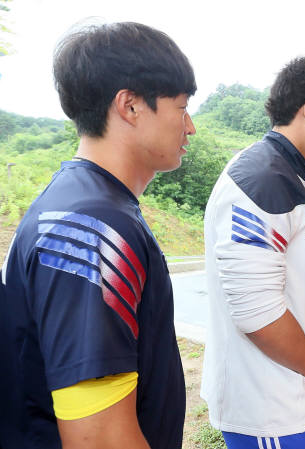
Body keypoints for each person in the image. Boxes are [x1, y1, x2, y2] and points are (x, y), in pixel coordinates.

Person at [0, 22, 197, 448]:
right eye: (182, 107)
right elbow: (100, 438)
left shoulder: (81, 205)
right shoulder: (91, 230)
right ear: (129, 106)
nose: (191, 127)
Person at [200, 55, 305, 449]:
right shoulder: (262, 179)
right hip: (268, 406)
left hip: (290, 395)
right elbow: (257, 313)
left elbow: (295, 282)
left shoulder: (289, 172)